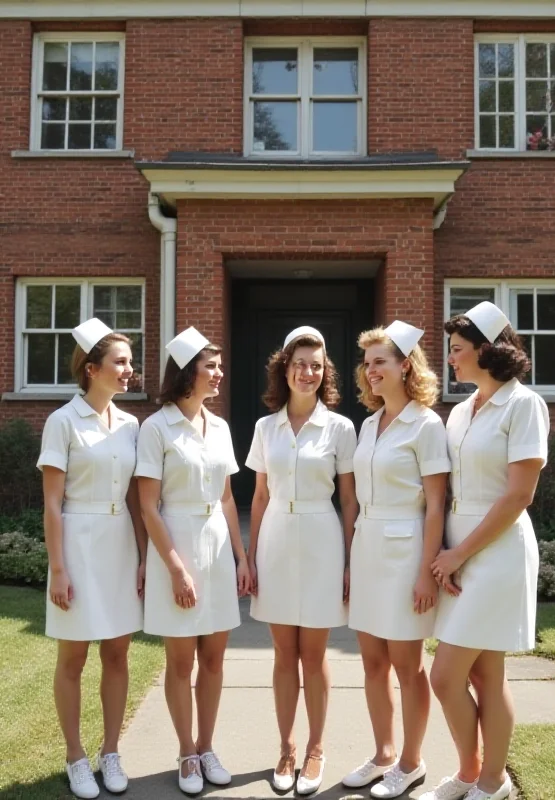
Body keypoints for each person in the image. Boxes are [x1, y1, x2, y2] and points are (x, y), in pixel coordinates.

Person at [420, 302, 550, 800]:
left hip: (497, 551)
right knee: (484, 673)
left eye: (456, 350)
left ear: (487, 350)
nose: (450, 360)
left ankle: (487, 777)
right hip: (461, 547)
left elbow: (519, 495)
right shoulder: (460, 410)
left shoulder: (525, 405)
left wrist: (460, 554)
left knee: (445, 675)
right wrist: (448, 552)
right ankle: (479, 777)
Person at [135, 326, 249, 796]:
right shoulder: (155, 427)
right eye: (211, 366)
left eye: (219, 366)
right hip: (175, 544)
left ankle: (206, 746)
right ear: (187, 372)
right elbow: (148, 506)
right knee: (181, 661)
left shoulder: (219, 427)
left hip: (218, 545)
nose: (219, 374)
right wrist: (176, 568)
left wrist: (242, 559)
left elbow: (226, 498)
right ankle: (185, 752)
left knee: (215, 659)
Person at [246, 326, 358, 795]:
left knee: (313, 654)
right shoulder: (264, 427)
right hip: (275, 538)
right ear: (284, 369)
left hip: (321, 539)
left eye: (316, 365)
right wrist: (250, 558)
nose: (307, 372)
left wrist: (350, 561)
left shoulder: (340, 428)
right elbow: (258, 498)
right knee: (282, 653)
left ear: (324, 371)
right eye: (299, 364)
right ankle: (286, 749)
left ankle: (315, 749)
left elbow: (349, 502)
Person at [37, 318, 145, 800]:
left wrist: (143, 557)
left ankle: (111, 750)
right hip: (77, 544)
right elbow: (52, 504)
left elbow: (139, 500)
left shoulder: (131, 423)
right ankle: (76, 756)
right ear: (92, 367)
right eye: (120, 361)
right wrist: (58, 568)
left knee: (118, 650)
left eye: (129, 362)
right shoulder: (62, 421)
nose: (129, 370)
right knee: (74, 655)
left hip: (118, 540)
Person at [343, 321, 451, 799]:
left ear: (406, 365)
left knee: (409, 666)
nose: (371, 372)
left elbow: (435, 504)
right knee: (371, 663)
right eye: (367, 365)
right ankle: (384, 753)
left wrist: (427, 573)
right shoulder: (369, 423)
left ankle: (411, 761)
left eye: (380, 362)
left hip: (406, 550)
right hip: (367, 546)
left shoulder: (426, 424)